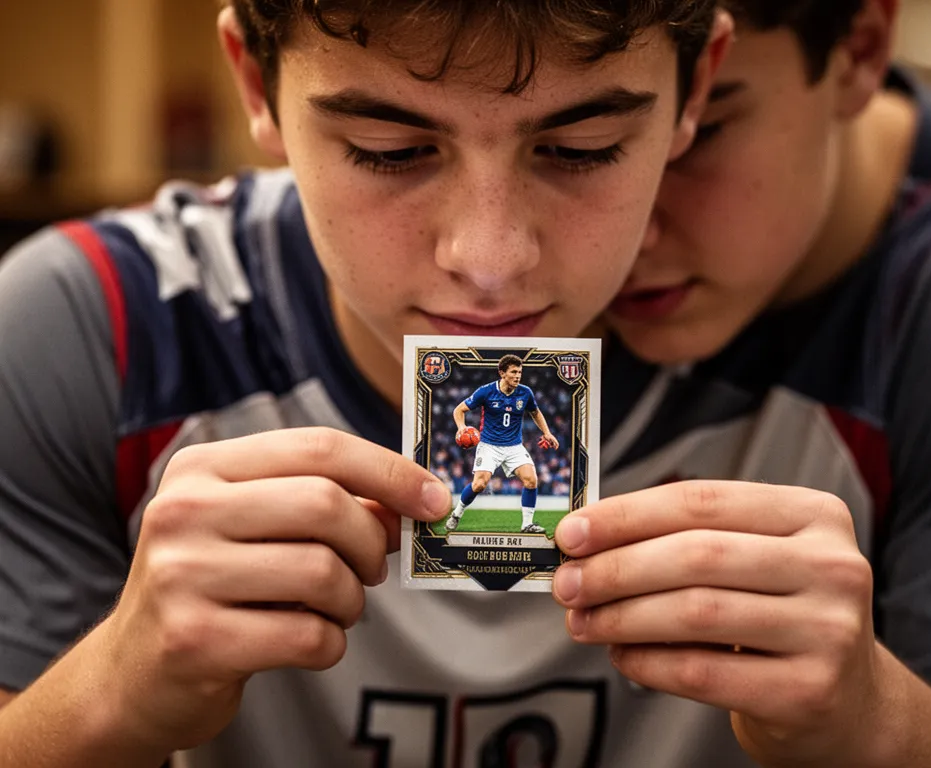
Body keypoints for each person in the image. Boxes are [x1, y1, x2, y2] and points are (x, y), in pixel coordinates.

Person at [0, 2, 739, 767]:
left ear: (695, 88)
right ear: (257, 83)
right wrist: (109, 694)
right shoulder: (91, 329)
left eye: (584, 148)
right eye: (388, 150)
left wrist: (871, 725)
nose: (488, 260)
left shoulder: (842, 329)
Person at [585, 0, 931, 764]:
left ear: (858, 51)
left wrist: (876, 720)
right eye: (583, 148)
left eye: (702, 133)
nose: (626, 234)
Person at [446, 354, 559, 534]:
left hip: (514, 446)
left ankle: (527, 525)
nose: (517, 376)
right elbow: (459, 410)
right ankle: (457, 514)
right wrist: (461, 427)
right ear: (502, 373)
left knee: (531, 480)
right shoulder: (486, 391)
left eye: (520, 372)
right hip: (489, 445)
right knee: (479, 485)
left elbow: (535, 412)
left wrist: (547, 432)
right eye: (513, 372)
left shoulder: (525, 392)